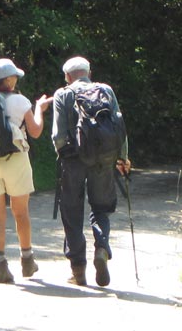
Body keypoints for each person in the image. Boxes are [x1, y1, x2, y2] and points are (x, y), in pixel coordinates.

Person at [0, 58, 53, 284]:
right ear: (8, 79)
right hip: (15, 159)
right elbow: (34, 132)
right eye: (15, 76)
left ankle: (0, 266)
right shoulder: (20, 101)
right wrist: (40, 109)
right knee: (20, 212)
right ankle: (27, 260)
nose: (17, 79)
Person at [51, 56, 131, 287]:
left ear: (67, 76)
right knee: (101, 208)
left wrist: (64, 154)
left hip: (73, 162)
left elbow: (58, 135)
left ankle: (78, 271)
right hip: (103, 161)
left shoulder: (63, 94)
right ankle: (102, 249)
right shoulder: (105, 90)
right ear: (89, 72)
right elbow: (119, 124)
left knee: (72, 213)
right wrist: (122, 158)